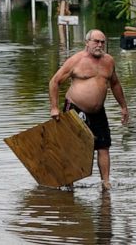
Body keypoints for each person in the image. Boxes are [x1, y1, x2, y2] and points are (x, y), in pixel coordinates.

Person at [48, 29, 129, 189]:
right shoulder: (76, 61)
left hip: (98, 111)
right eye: (96, 41)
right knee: (72, 148)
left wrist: (123, 107)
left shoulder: (109, 61)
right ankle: (68, 184)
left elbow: (115, 84)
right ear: (87, 42)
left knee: (104, 146)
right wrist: (54, 108)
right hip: (75, 109)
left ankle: (105, 183)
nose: (99, 45)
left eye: (102, 42)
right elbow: (54, 82)